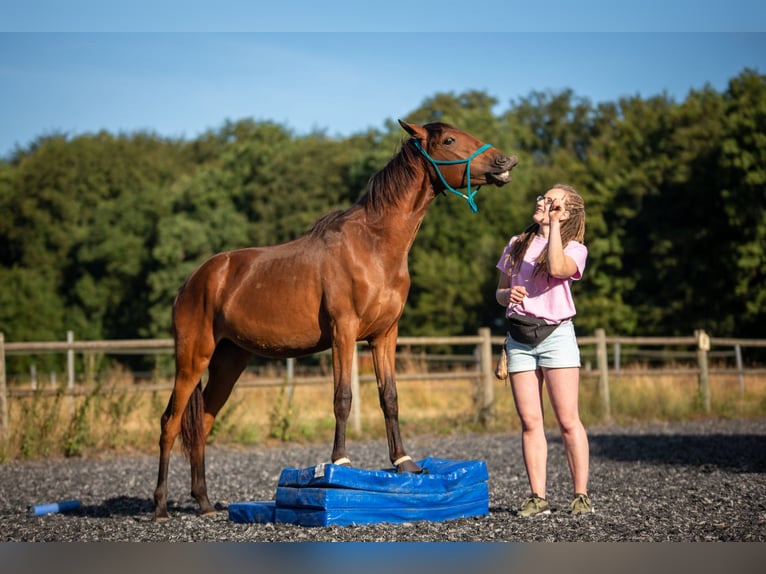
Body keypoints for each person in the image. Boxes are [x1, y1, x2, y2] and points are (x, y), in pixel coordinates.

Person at [495, 183, 592, 517]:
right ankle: (537, 496)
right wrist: (507, 297)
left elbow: (555, 267)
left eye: (554, 203)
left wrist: (553, 229)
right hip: (519, 339)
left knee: (567, 420)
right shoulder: (516, 243)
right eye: (543, 198)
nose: (544, 204)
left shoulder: (575, 248)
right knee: (530, 421)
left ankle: (580, 495)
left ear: (566, 215)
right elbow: (499, 293)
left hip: (556, 337)